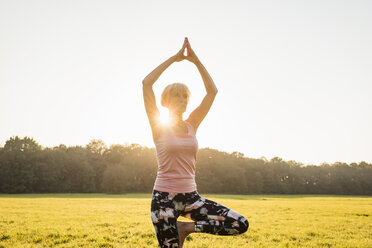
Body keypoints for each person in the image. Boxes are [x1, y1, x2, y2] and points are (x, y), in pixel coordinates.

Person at [142, 37, 249, 248]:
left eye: (184, 96)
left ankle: (186, 228)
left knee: (240, 223)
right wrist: (174, 58)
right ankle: (179, 232)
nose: (182, 100)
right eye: (176, 96)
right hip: (164, 199)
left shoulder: (192, 124)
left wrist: (196, 61)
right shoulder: (159, 127)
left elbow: (212, 92)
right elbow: (146, 83)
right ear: (165, 101)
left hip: (192, 198)